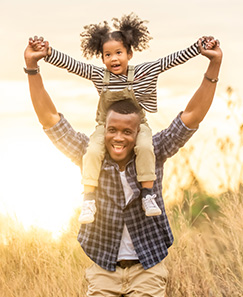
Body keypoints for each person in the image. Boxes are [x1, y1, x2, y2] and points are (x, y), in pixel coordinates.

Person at [24, 33, 222, 296]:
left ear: (138, 132)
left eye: (127, 132)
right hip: (104, 271)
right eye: (112, 130)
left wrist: (214, 66)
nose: (118, 137)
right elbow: (50, 120)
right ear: (103, 128)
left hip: (147, 269)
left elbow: (191, 118)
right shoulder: (89, 153)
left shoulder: (153, 150)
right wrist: (32, 69)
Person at [28, 13, 214, 224]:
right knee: (92, 151)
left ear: (130, 53)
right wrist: (47, 53)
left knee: (145, 147)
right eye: (107, 55)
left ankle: (147, 194)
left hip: (138, 126)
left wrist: (198, 48)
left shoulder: (144, 72)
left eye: (118, 53)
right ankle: (88, 197)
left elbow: (169, 61)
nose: (113, 59)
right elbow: (73, 65)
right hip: (104, 126)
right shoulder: (99, 76)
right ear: (102, 58)